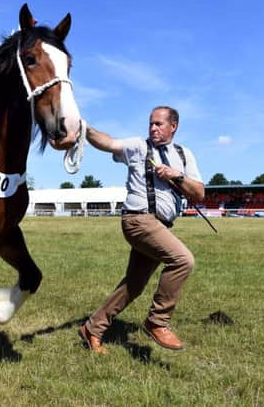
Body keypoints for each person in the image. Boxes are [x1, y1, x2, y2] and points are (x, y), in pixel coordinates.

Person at [79, 106, 205, 353]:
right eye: (151, 123)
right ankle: (157, 322)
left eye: (159, 124)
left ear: (173, 126)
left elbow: (199, 193)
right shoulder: (138, 147)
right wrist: (86, 129)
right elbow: (109, 143)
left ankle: (92, 328)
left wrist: (176, 176)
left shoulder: (184, 154)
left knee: (134, 285)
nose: (153, 128)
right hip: (139, 220)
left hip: (161, 225)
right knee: (183, 260)